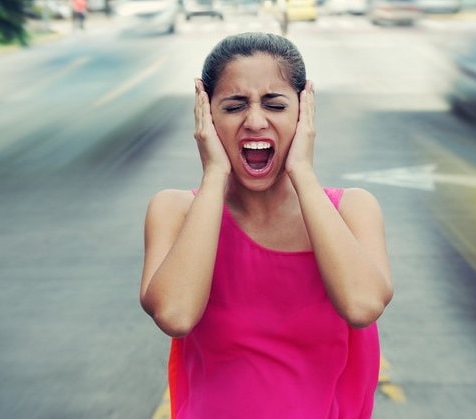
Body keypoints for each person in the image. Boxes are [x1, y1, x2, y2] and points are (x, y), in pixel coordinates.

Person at [139, 32, 393, 418]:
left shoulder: (353, 209)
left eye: (274, 104)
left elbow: (362, 306)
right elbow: (175, 315)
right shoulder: (174, 210)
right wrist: (214, 176)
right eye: (234, 105)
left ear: (304, 111)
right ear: (206, 115)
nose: (254, 120)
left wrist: (302, 172)